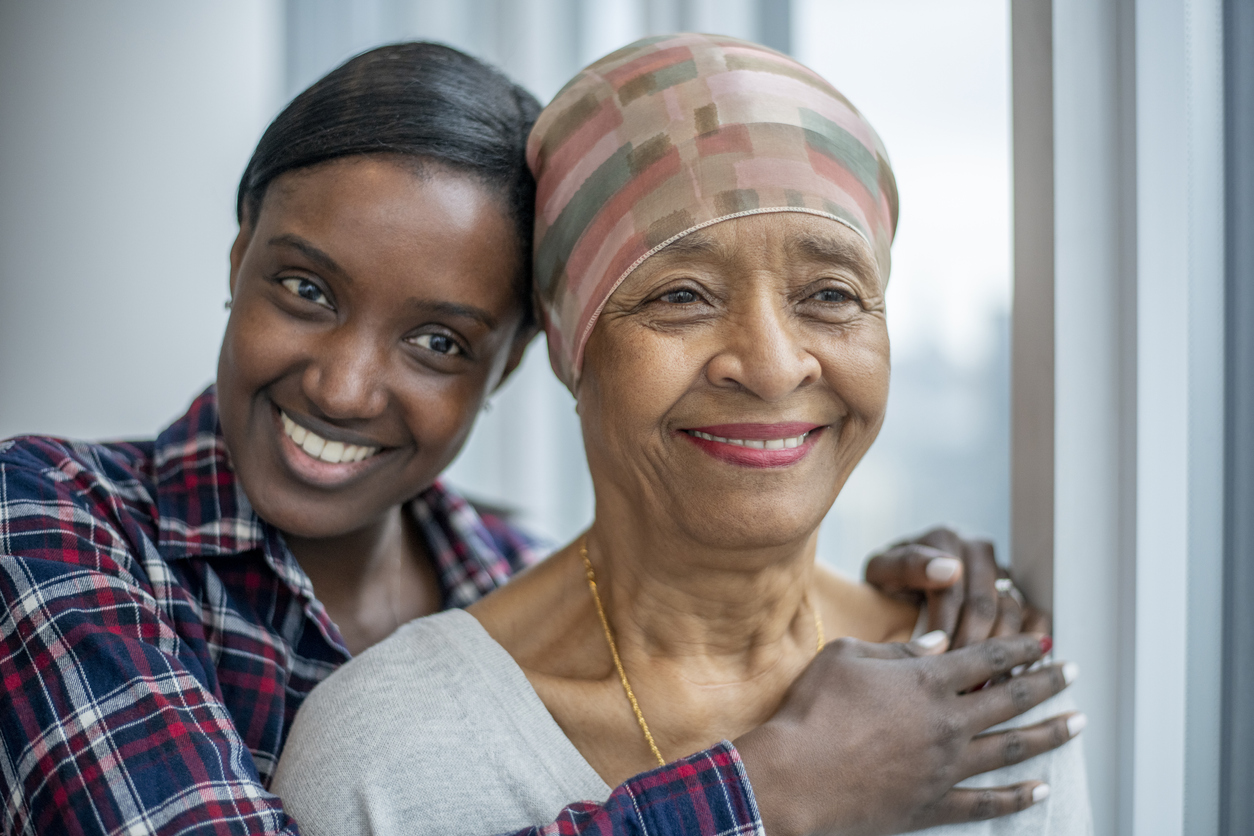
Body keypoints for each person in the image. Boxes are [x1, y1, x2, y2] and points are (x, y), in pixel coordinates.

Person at [0, 40, 1055, 836]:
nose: (345, 387)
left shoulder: (501, 572)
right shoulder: (48, 522)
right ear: (239, 261)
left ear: (512, 361)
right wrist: (774, 790)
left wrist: (912, 584)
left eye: (439, 342)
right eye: (307, 289)